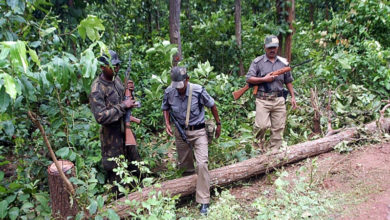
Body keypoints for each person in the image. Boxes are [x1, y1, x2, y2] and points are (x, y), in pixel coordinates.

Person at [162, 66, 221, 215]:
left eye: (181, 85)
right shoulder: (170, 91)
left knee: (201, 164)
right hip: (180, 133)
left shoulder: (198, 90)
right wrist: (167, 123)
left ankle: (203, 200)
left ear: (187, 79)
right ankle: (187, 192)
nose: (179, 89)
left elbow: (212, 105)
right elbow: (165, 107)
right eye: (176, 86)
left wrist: (218, 124)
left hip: (199, 131)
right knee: (185, 165)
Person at [89, 50, 141, 186]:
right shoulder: (97, 88)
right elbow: (100, 117)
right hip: (111, 139)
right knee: (117, 176)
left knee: (136, 166)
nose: (116, 68)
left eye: (117, 65)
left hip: (126, 130)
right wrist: (123, 106)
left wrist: (129, 93)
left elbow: (126, 101)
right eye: (112, 66)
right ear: (102, 67)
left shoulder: (116, 80)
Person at [246, 35, 298, 152]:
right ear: (265, 47)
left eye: (274, 47)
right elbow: (249, 79)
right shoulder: (258, 62)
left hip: (279, 99)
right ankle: (258, 148)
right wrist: (264, 79)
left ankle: (274, 153)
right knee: (262, 126)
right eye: (269, 47)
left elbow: (288, 81)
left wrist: (293, 97)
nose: (272, 50)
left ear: (278, 47)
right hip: (263, 100)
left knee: (278, 128)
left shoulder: (283, 63)